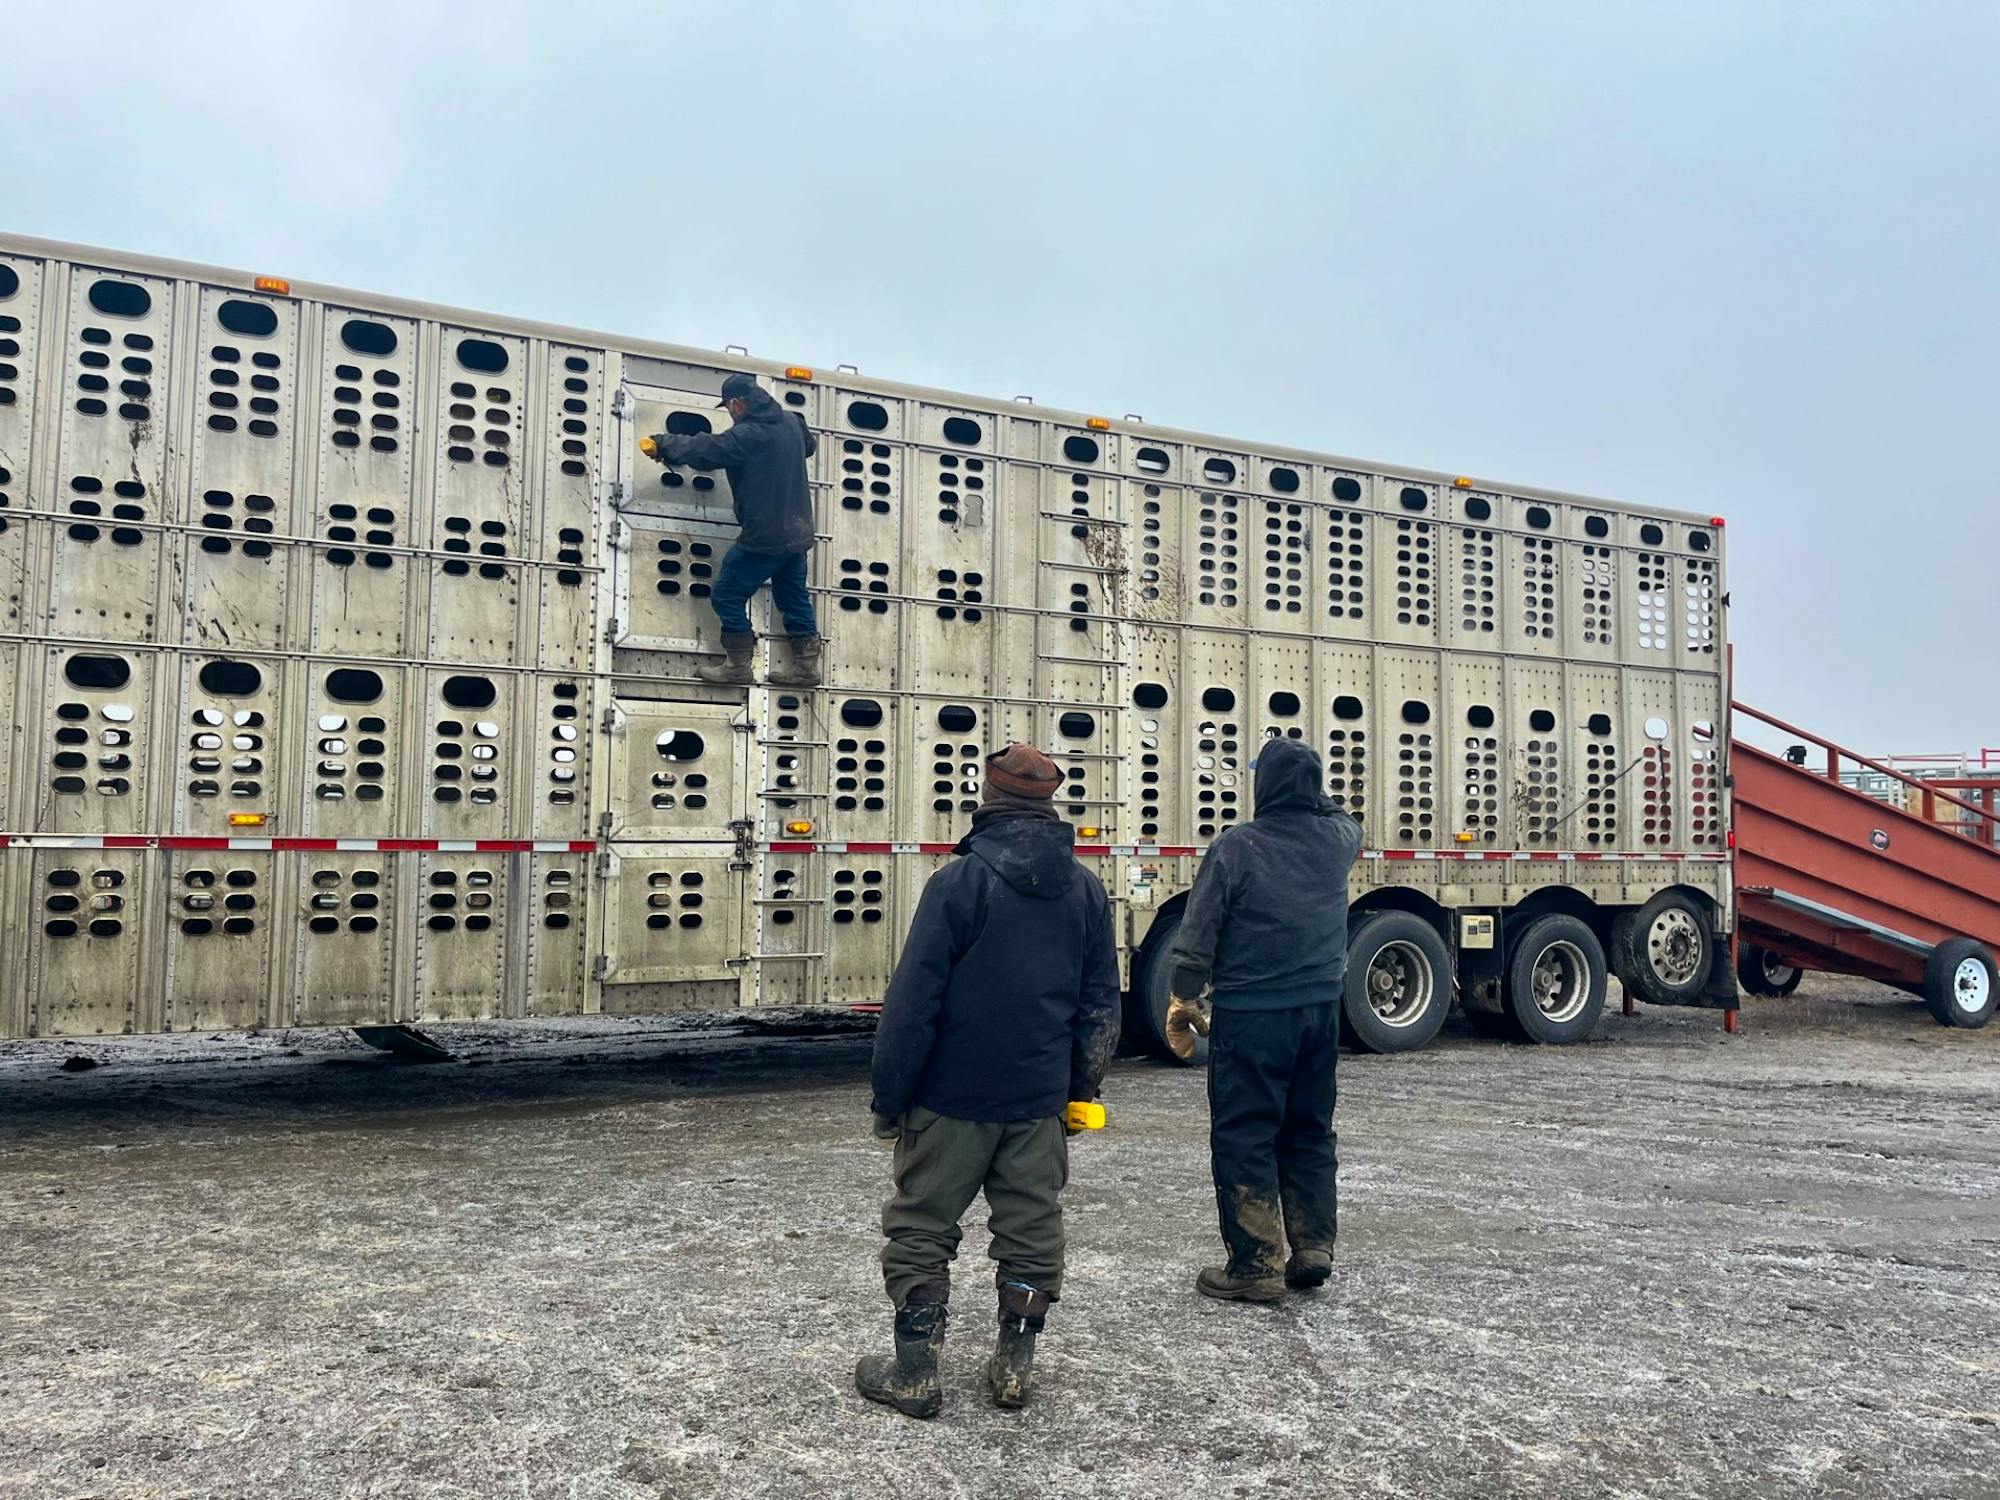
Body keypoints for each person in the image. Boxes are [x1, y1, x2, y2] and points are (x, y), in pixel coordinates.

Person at [856, 743, 1121, 1418]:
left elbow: (912, 1006)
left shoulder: (959, 884)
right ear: (1049, 804)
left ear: (990, 801)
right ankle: (1013, 1367)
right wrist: (1078, 1095)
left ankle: (915, 1374)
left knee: (921, 1230)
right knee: (1033, 1234)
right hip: (1037, 1105)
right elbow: (1099, 1009)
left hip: (950, 1101)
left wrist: (891, 1098)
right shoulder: (1088, 891)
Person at [1164, 737, 1363, 1303]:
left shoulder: (1237, 848)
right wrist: (1309, 790)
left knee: (1245, 1132)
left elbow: (1198, 935)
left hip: (1253, 1017)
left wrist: (1182, 999)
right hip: (1320, 1014)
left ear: (1263, 788)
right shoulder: (1338, 840)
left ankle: (1256, 1265)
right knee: (1308, 1127)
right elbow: (1336, 811)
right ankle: (1313, 1246)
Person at [640, 372, 822, 688]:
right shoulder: (792, 422)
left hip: (764, 536)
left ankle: (738, 665)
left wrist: (662, 444)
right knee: (793, 598)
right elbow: (809, 446)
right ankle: (807, 668)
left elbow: (708, 449)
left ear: (737, 404)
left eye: (728, 408)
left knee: (726, 595)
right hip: (797, 533)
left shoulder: (749, 435)